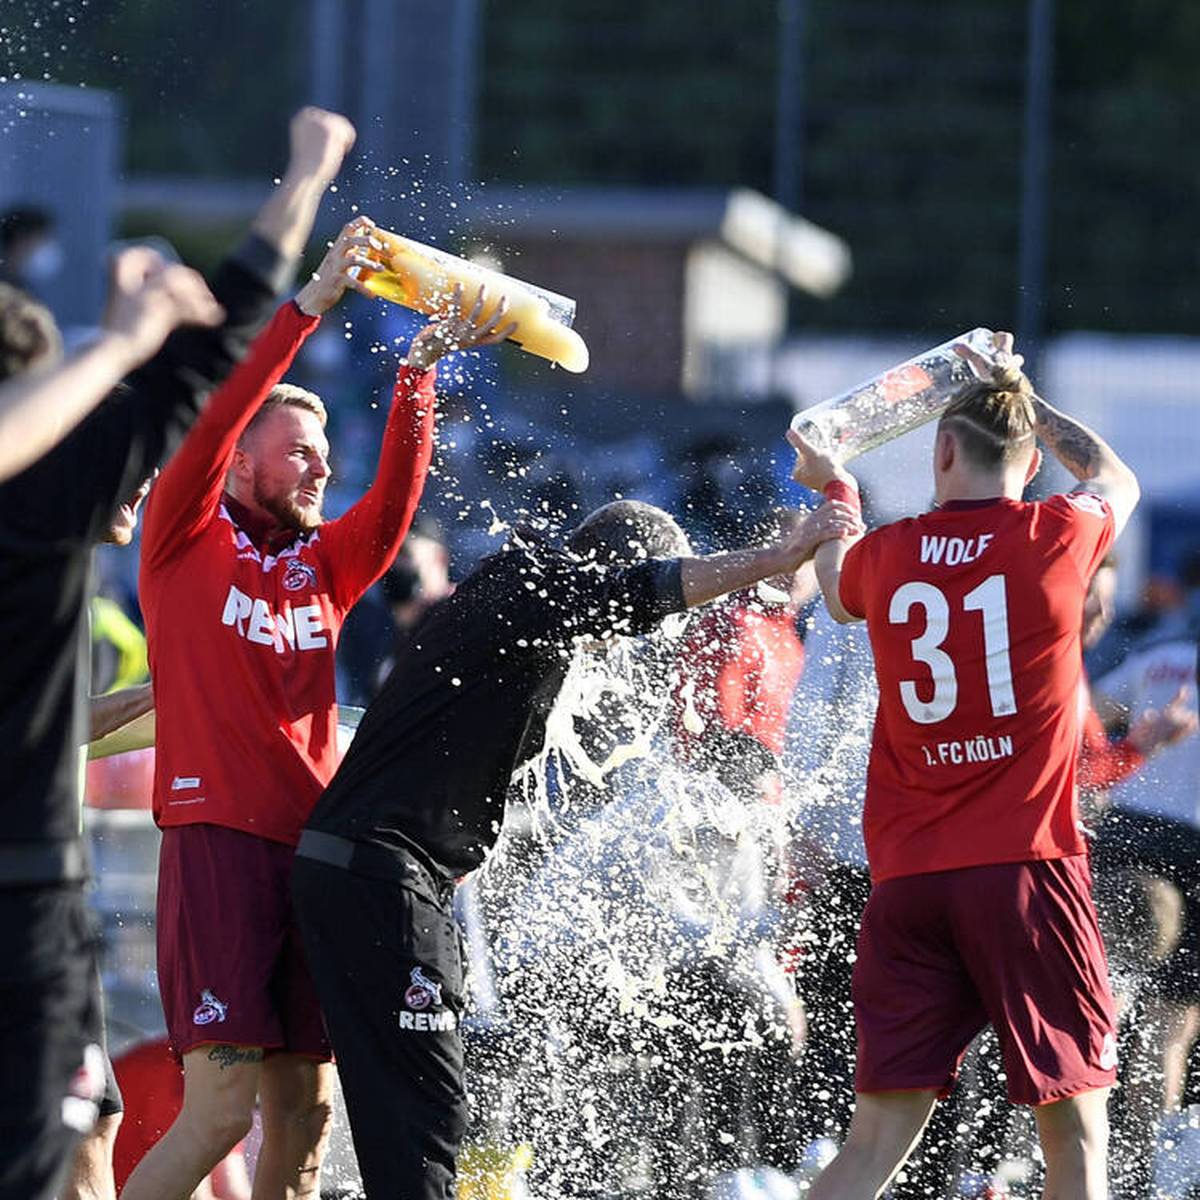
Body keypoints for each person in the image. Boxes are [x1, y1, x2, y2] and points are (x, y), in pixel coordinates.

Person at [291, 494, 863, 1200]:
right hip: (382, 872)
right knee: (427, 1116)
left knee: (384, 1116)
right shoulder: (536, 583)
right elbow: (640, 592)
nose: (622, 648)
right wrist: (778, 559)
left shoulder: (525, 604)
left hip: (367, 871)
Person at [0, 103, 353, 1200]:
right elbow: (205, 368)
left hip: (50, 870)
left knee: (98, 1141)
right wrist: (306, 175)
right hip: (31, 890)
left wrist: (150, 701)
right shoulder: (47, 501)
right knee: (85, 1147)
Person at [123, 223, 515, 1195]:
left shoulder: (324, 566)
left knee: (307, 1121)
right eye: (298, 452)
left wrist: (417, 380)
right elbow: (214, 418)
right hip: (216, 842)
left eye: (323, 452)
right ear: (242, 461)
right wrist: (311, 307)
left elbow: (387, 505)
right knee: (219, 1115)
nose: (320, 468)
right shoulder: (183, 538)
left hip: (314, 855)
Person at [789, 330, 1140, 1200]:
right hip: (1024, 869)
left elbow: (834, 590)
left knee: (871, 1145)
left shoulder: (893, 548)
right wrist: (1028, 396)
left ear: (941, 449)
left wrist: (834, 482)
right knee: (1075, 1135)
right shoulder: (1056, 534)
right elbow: (1115, 479)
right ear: (1027, 463)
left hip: (907, 881)